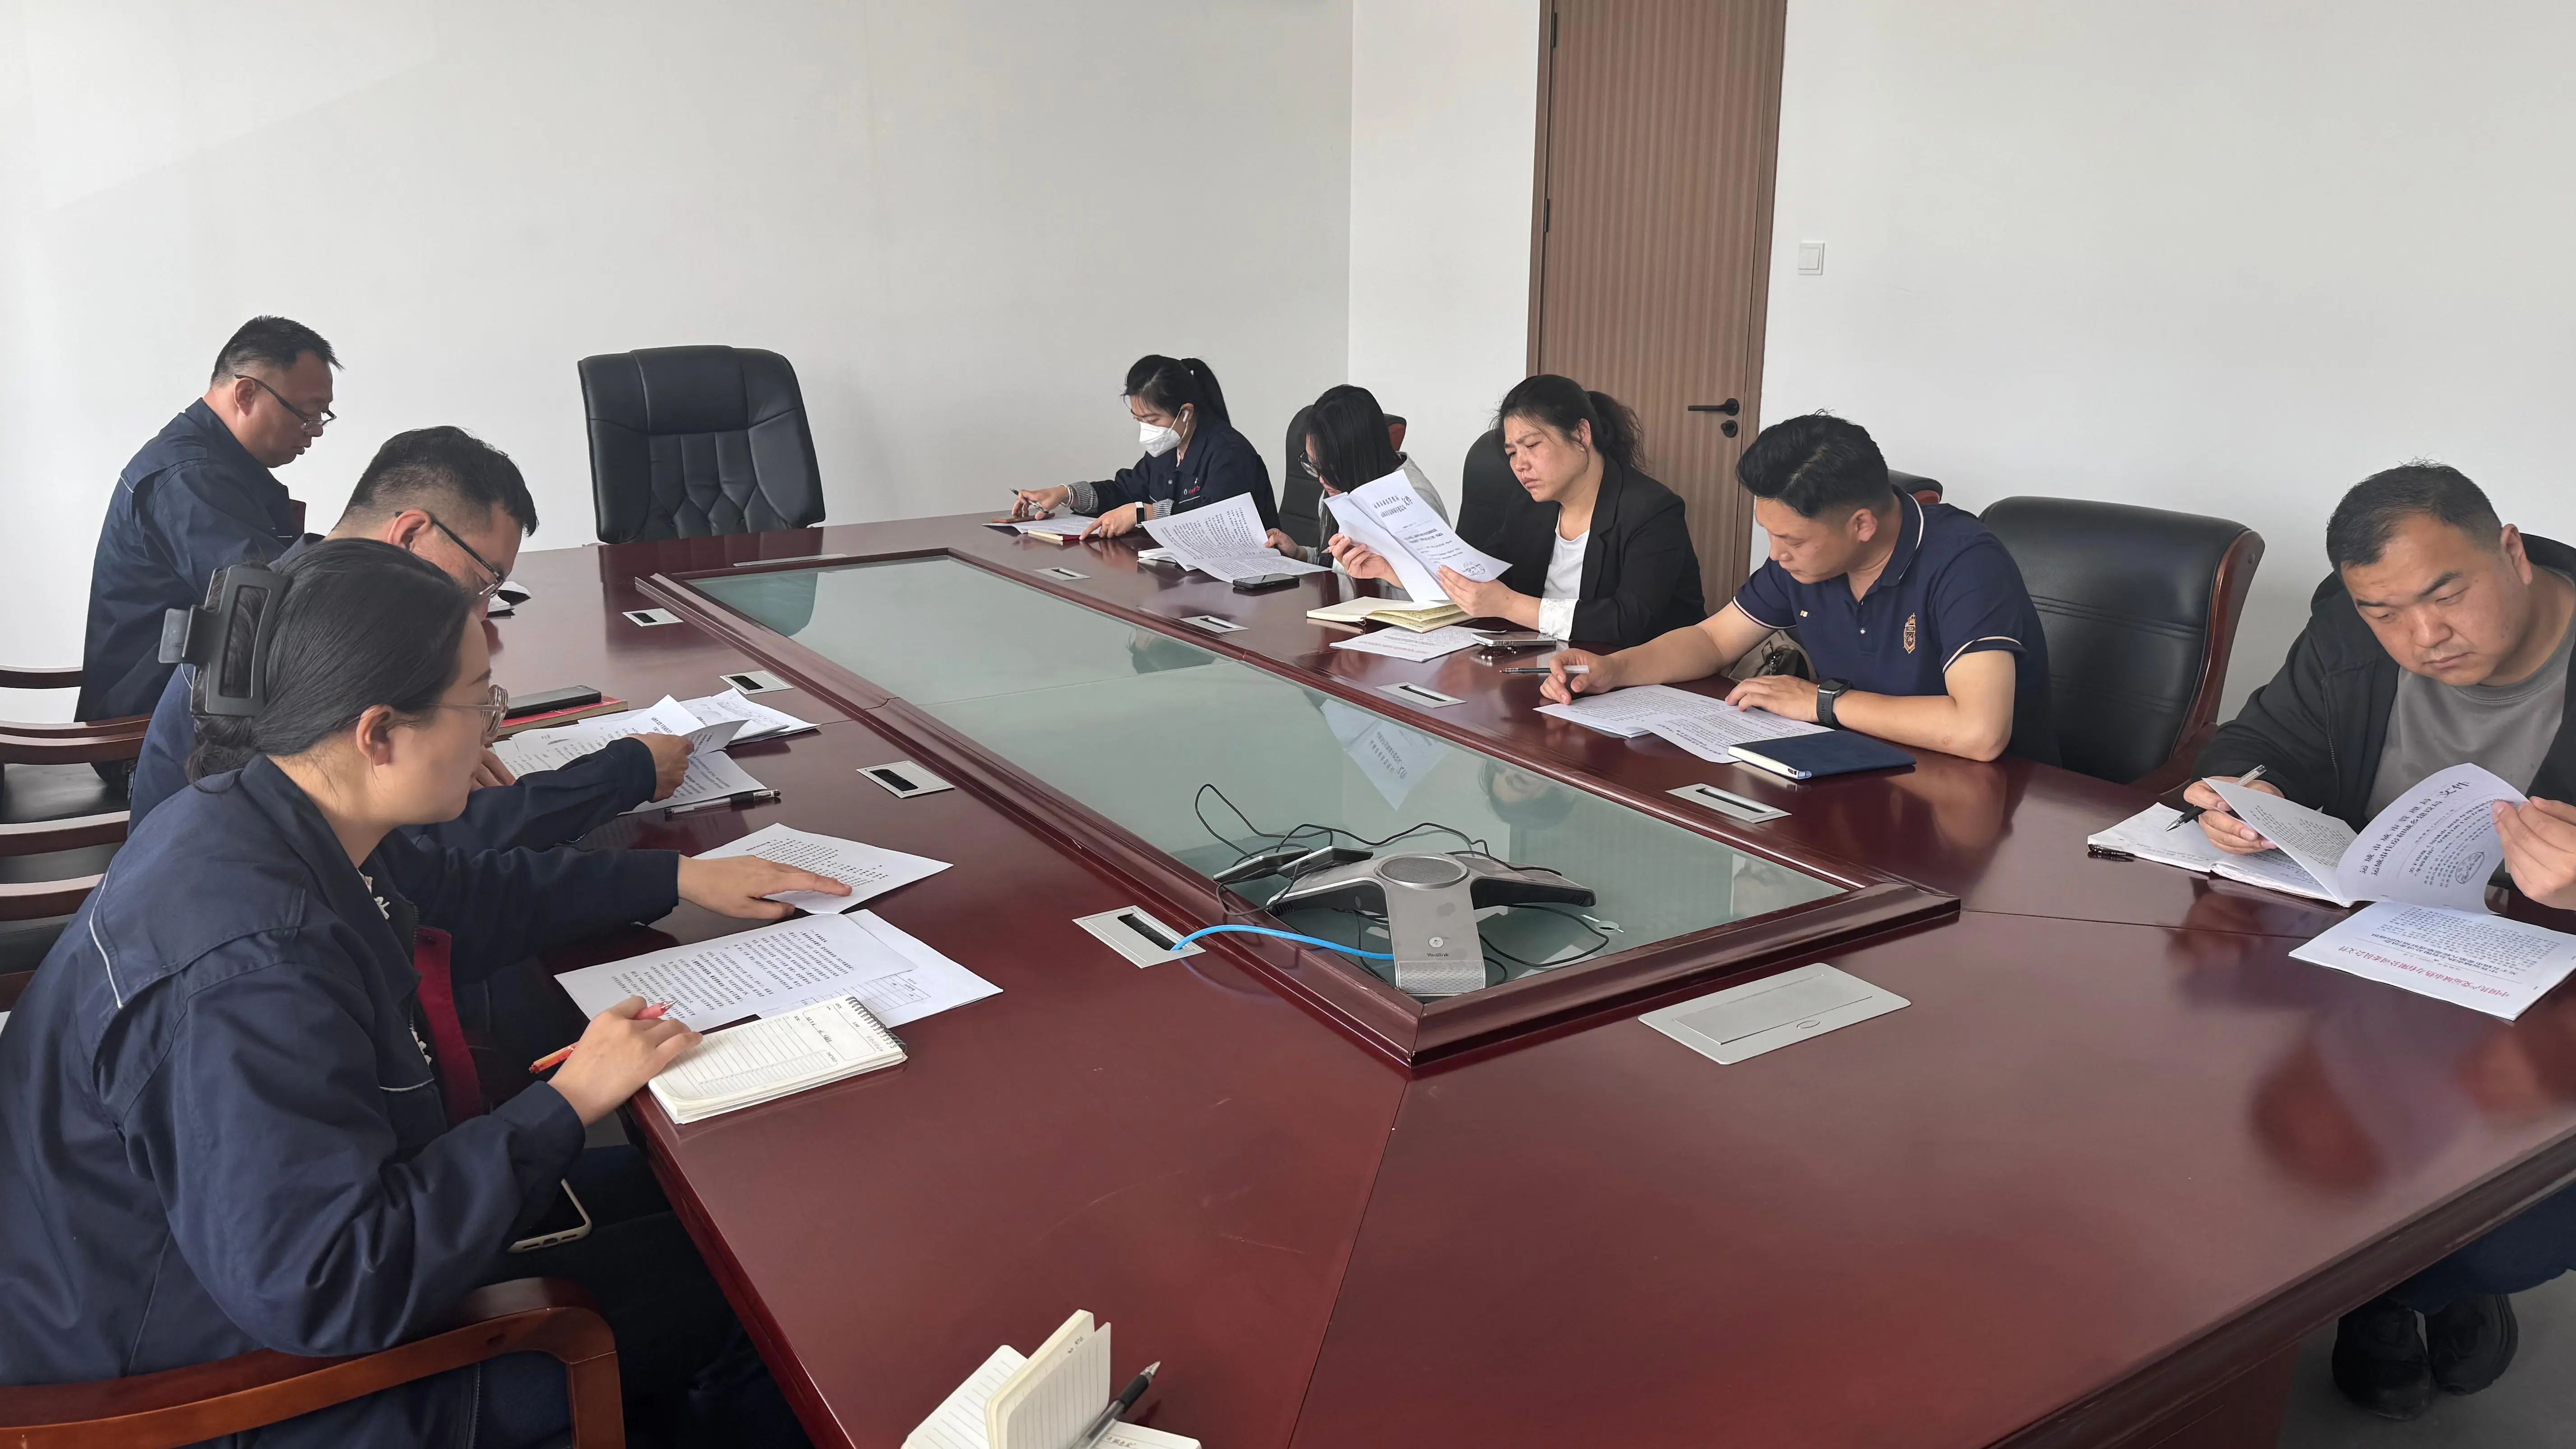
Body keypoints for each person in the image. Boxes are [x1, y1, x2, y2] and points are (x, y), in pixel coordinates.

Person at [0, 540, 845, 1448]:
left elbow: (463, 898)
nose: (490, 731)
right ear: (378, 733)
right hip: (222, 1385)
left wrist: (676, 880)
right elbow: (331, 1285)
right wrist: (566, 1101)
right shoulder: (249, 975)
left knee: (702, 1208)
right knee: (761, 1291)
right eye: (479, 702)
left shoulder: (260, 810)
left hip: (226, 1268)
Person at [2184, 462, 2576, 1420]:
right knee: (2234, 1116)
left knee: (2519, 1217)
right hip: (2372, 964)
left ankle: (2418, 1288)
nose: (2423, 636)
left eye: (2447, 593)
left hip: (2542, 1004)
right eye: (2385, 612)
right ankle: (2381, 1284)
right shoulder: (2347, 631)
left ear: (2511, 551)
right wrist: (2250, 794)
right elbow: (2254, 740)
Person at [129, 426, 689, 849]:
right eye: (484, 580)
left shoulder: (304, 590)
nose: (482, 610)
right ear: (412, 534)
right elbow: (429, 851)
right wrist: (620, 776)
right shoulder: (309, 639)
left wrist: (440, 743)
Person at [1543, 412, 2054, 763]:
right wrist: (1615, 669)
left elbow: (1979, 732)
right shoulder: (1807, 562)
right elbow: (1713, 640)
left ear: (1862, 525)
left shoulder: (1965, 562)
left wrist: (1821, 703)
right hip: (1861, 766)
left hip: (1989, 802)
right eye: (1769, 534)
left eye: (1791, 540)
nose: (1775, 555)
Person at [78, 316, 339, 725]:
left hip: (200, 698)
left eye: (322, 416)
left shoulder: (215, 462)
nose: (316, 431)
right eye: (306, 414)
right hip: (150, 727)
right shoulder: (188, 476)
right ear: (247, 394)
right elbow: (275, 601)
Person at [1334, 375, 1702, 648]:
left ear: (1581, 434)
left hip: (1639, 680)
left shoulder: (1651, 511)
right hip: (1546, 665)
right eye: (1512, 453)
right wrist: (1391, 569)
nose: (1520, 465)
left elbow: (1629, 621)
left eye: (1532, 445)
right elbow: (1478, 580)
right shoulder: (1531, 507)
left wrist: (1508, 604)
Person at [1011, 355, 1278, 538]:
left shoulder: (1229, 453)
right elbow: (1124, 491)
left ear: (1186, 413)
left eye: (1152, 420)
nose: (1147, 429)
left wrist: (1146, 513)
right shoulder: (1167, 450)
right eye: (1138, 420)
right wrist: (1067, 494)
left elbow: (1216, 523)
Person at [1263, 384, 1447, 574]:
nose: (1322, 480)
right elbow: (1335, 564)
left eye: (1329, 469)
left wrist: (1384, 573)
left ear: (1359, 459)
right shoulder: (1338, 487)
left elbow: (1439, 586)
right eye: (1315, 466)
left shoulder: (1412, 501)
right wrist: (1299, 554)